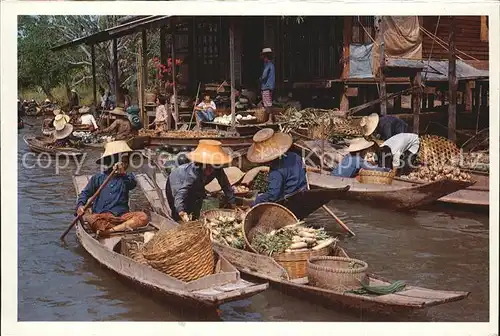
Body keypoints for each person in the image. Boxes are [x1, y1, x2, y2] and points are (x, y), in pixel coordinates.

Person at [76, 141, 148, 235]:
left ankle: (109, 231)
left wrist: (123, 174)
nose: (124, 165)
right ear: (111, 162)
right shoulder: (98, 178)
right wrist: (80, 205)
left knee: (143, 217)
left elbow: (132, 185)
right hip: (101, 217)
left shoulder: (127, 177)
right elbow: (85, 194)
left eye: (126, 162)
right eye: (121, 162)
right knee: (91, 219)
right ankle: (113, 228)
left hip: (121, 217)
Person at [166, 140, 236, 222]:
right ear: (201, 163)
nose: (210, 169)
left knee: (195, 209)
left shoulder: (217, 169)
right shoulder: (193, 172)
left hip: (194, 186)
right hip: (176, 183)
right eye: (207, 166)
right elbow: (181, 193)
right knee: (179, 213)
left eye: (213, 166)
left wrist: (233, 203)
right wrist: (181, 212)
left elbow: (226, 186)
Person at [246, 128, 307, 206]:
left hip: (289, 200)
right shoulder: (295, 156)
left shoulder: (275, 172)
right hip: (303, 193)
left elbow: (272, 195)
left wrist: (254, 203)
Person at [259, 47, 275, 123]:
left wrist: (260, 79)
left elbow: (264, 76)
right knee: (268, 102)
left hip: (266, 87)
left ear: (265, 57)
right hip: (270, 87)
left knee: (267, 103)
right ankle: (270, 118)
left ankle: (270, 119)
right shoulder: (271, 65)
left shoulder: (268, 65)